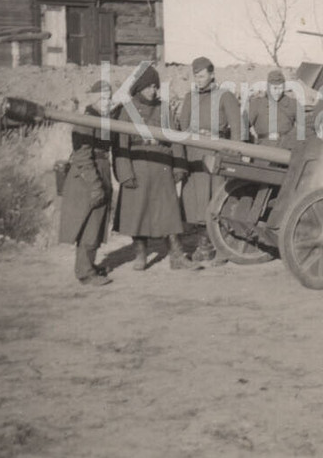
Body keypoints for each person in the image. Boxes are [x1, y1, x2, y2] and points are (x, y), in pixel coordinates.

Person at [114, 65, 188, 271]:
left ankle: (177, 256)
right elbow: (120, 144)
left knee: (169, 214)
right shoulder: (127, 110)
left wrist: (179, 167)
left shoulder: (164, 108)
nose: (153, 91)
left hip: (162, 167)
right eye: (148, 87)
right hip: (137, 168)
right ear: (139, 88)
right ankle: (140, 255)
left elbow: (176, 139)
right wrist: (125, 173)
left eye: (155, 87)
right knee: (138, 214)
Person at [176, 56, 241, 264]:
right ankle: (203, 245)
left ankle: (221, 246)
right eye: (196, 76)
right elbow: (182, 128)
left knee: (217, 201)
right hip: (195, 156)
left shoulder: (225, 96)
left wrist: (232, 158)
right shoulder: (189, 97)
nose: (199, 80)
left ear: (212, 75)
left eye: (202, 76)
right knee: (196, 203)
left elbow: (237, 131)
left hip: (216, 155)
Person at [59, 81, 116, 286]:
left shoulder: (102, 119)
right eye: (102, 98)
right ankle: (84, 272)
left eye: (109, 98)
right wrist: (95, 184)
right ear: (92, 98)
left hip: (100, 171)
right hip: (87, 177)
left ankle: (89, 265)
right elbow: (82, 156)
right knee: (89, 226)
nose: (107, 102)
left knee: (97, 224)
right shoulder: (86, 120)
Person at [247, 68, 301, 149]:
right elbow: (244, 126)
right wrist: (250, 144)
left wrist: (291, 139)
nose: (278, 92)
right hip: (263, 147)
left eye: (281, 88)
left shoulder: (293, 103)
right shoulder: (257, 103)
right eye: (275, 88)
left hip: (286, 147)